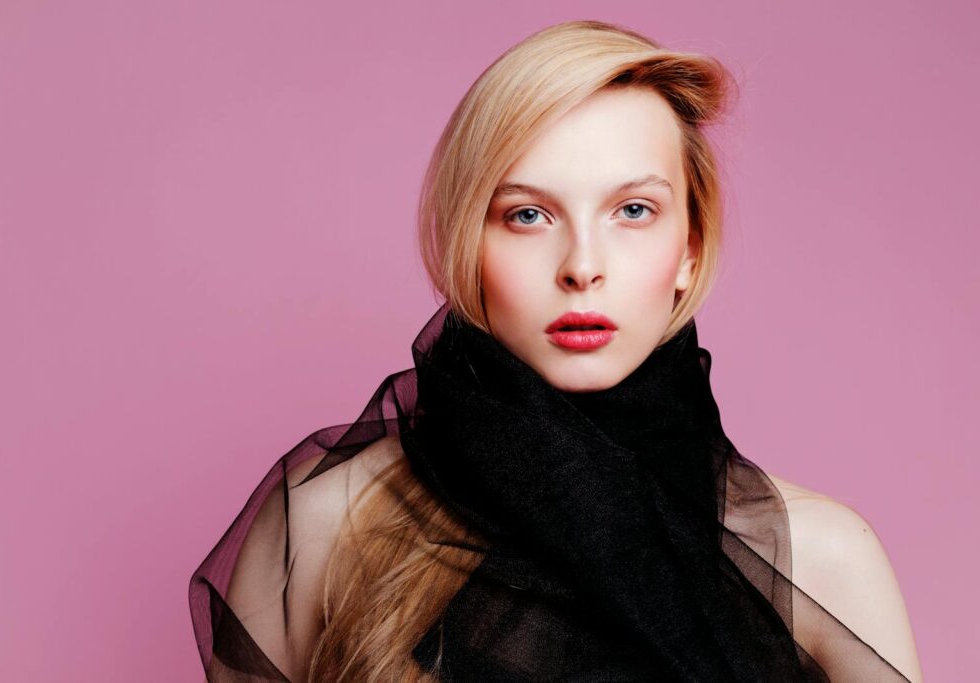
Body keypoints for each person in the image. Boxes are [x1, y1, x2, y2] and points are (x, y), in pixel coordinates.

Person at [189, 19, 923, 682]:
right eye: (528, 214)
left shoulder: (822, 560)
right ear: (465, 243)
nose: (581, 265)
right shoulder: (324, 519)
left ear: (689, 252)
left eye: (633, 210)